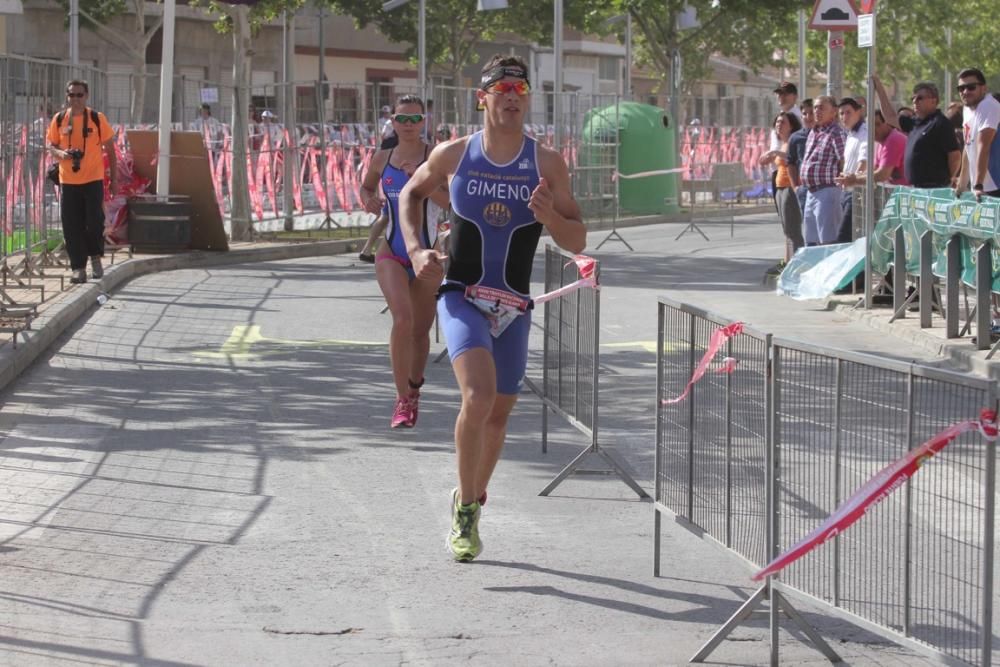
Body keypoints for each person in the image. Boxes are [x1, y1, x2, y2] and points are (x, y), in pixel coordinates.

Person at [398, 54, 586, 562]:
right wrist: (416, 251)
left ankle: (471, 500)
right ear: (482, 98)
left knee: (499, 417)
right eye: (501, 88)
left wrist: (551, 217)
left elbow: (578, 238)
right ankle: (462, 517)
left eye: (519, 90)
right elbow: (410, 195)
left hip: (514, 304)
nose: (511, 96)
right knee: (477, 397)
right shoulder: (456, 154)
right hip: (462, 293)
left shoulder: (546, 163)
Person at [359, 95, 449, 429]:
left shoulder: (436, 157)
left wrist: (420, 184)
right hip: (392, 251)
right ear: (392, 122)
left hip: (427, 255)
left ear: (425, 121)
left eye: (415, 119)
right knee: (402, 318)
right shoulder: (382, 157)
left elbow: (451, 203)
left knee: (420, 333)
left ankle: (414, 389)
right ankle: (401, 400)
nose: (408, 126)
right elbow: (367, 186)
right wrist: (368, 199)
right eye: (402, 119)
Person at [46, 79, 117, 284]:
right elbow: (51, 145)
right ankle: (78, 267)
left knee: (94, 221)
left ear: (86, 96)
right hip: (68, 180)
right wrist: (61, 153)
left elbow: (111, 150)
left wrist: (114, 179)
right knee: (71, 225)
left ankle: (95, 257)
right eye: (71, 95)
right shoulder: (59, 119)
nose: (75, 99)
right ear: (67, 97)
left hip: (93, 179)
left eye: (79, 95)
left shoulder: (96, 118)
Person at [873, 77, 960, 188]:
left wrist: (949, 180)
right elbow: (890, 117)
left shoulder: (941, 123)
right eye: (913, 98)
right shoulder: (914, 122)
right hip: (916, 188)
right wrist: (879, 88)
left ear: (934, 100)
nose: (915, 101)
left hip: (935, 188)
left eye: (920, 98)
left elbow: (955, 155)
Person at [800, 96, 845, 245]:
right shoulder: (813, 132)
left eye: (822, 108)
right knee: (811, 242)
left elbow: (843, 161)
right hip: (811, 192)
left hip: (828, 191)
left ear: (833, 112)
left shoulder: (836, 133)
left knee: (828, 241)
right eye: (815, 107)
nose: (817, 111)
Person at [761, 112, 804, 263]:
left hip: (789, 188)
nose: (779, 125)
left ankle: (799, 263)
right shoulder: (783, 143)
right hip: (780, 187)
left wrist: (775, 153)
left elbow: (794, 159)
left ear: (791, 125)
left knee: (793, 231)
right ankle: (789, 262)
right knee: (787, 230)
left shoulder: (794, 140)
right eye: (777, 122)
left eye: (783, 122)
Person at [954, 68, 1000, 200]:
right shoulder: (967, 109)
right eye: (961, 88)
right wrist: (962, 183)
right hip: (984, 189)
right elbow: (968, 147)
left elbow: (983, 146)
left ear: (984, 88)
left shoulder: (989, 105)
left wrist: (978, 185)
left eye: (971, 87)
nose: (965, 92)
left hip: (995, 186)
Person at [834, 97, 867, 244]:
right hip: (846, 191)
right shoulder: (850, 134)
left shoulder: (864, 132)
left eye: (848, 113)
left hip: (858, 192)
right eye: (841, 114)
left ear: (858, 112)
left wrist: (854, 177)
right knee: (851, 239)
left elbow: (864, 162)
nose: (844, 117)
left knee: (844, 237)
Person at [786, 98, 814, 215]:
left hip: (823, 189)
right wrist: (795, 187)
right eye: (804, 114)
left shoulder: (826, 135)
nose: (808, 117)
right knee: (808, 226)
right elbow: (790, 162)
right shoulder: (795, 138)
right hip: (803, 189)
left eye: (811, 113)